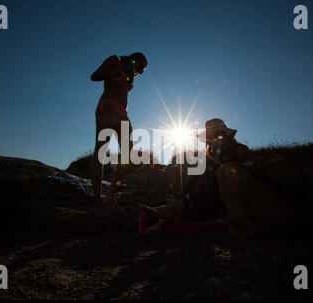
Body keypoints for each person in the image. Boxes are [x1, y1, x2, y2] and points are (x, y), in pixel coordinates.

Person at [141, 118, 256, 222]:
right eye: (209, 138)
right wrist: (182, 196)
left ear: (226, 136)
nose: (212, 141)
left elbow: (254, 176)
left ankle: (179, 209)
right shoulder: (207, 158)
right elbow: (194, 179)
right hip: (207, 194)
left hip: (229, 198)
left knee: (223, 171)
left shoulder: (239, 150)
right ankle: (178, 205)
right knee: (175, 170)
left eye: (216, 136)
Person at [90, 52, 148, 212]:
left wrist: (129, 75)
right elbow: (94, 76)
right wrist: (118, 71)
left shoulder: (131, 75)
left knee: (128, 156)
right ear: (133, 58)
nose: (140, 71)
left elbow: (125, 86)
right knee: (100, 151)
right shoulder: (114, 60)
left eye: (142, 70)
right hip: (108, 106)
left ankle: (109, 198)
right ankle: (97, 201)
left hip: (123, 113)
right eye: (140, 66)